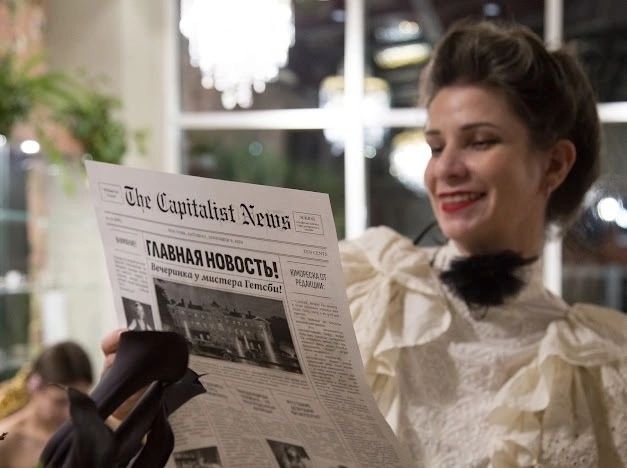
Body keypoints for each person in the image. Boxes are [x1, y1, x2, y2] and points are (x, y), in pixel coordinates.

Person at [101, 19, 627, 467]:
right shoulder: (365, 290)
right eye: (435, 146)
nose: (445, 169)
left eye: (480, 141)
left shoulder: (603, 370)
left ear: (554, 164)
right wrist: (147, 410)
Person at [0, 341, 93, 468]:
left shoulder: (96, 430)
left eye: (80, 402)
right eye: (60, 402)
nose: (70, 412)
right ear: (34, 387)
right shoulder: (6, 438)